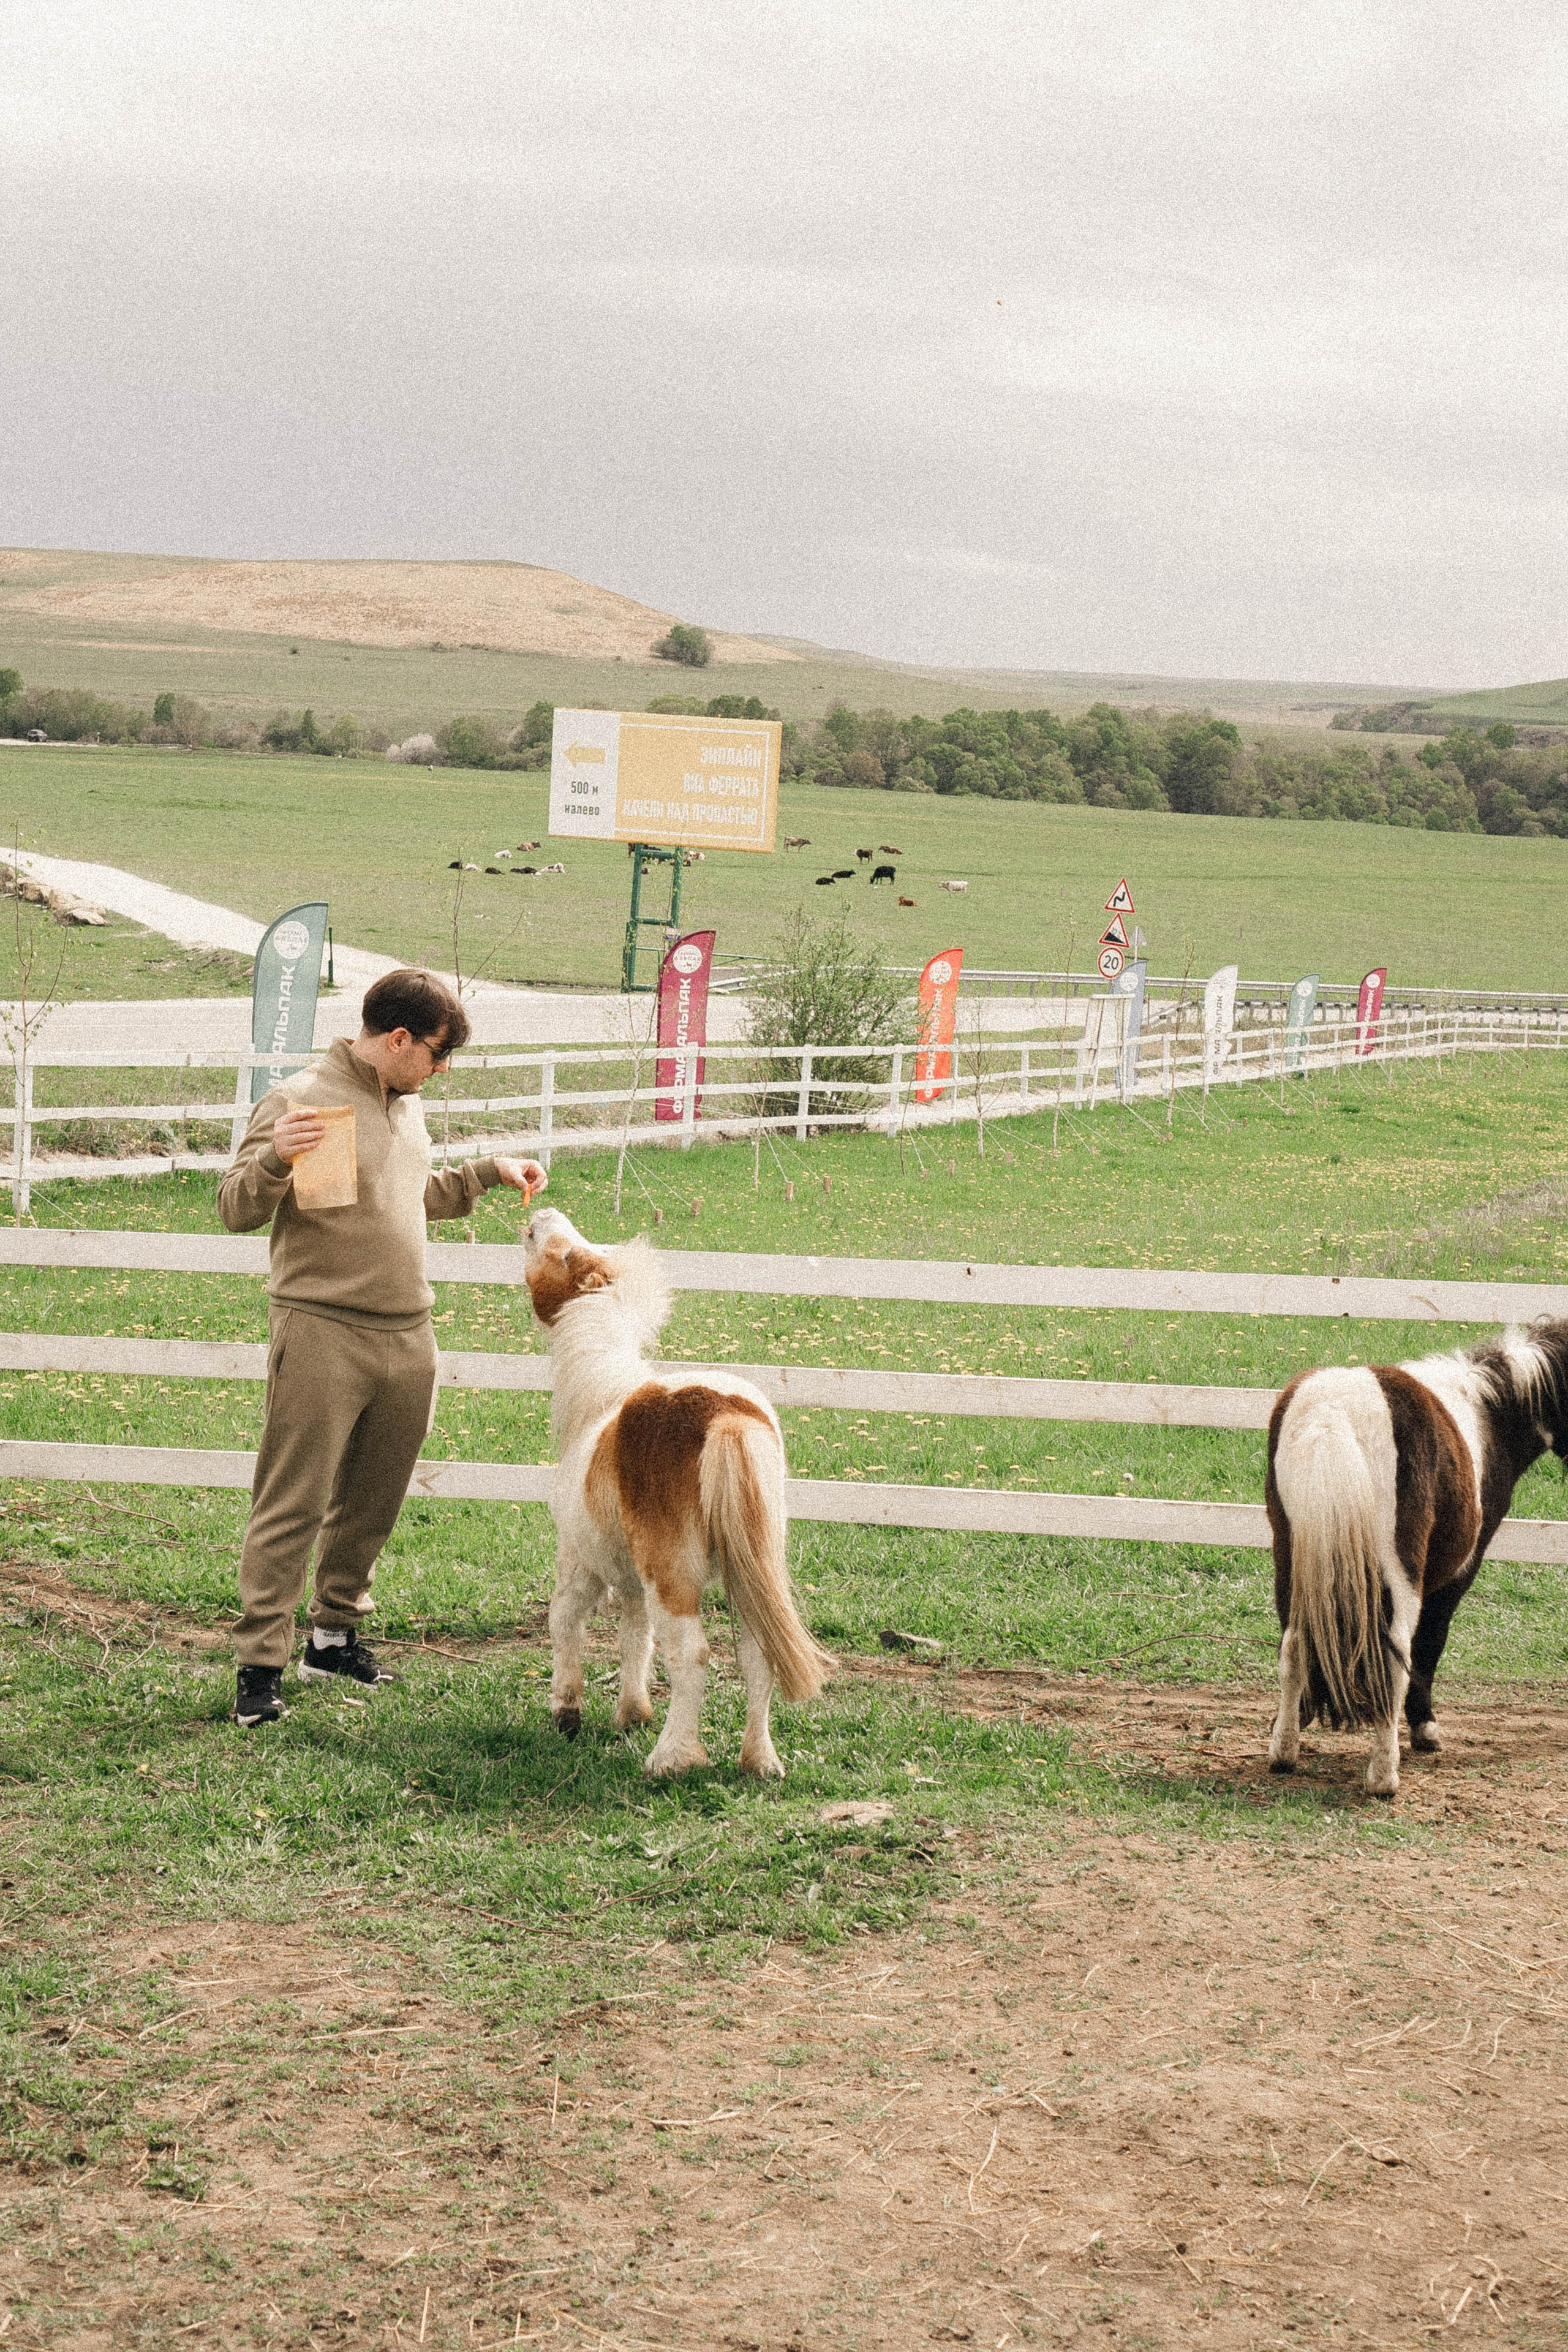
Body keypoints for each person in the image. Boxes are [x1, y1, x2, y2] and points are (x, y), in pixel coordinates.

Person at [218, 968, 546, 1727]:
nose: (442, 1070)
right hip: (322, 1330)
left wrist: (487, 1174)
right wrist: (273, 1160)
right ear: (399, 1039)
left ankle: (332, 1640)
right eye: (438, 1053)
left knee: (372, 1500)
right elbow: (235, 1207)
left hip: (408, 1333)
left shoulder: (405, 1103)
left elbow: (407, 1195)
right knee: (293, 1503)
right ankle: (259, 1668)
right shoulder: (303, 1102)